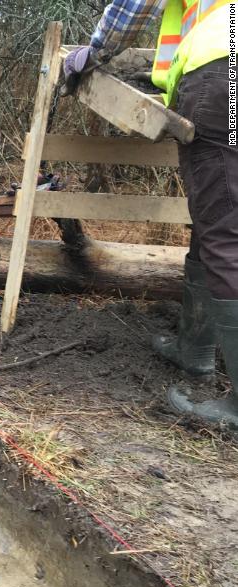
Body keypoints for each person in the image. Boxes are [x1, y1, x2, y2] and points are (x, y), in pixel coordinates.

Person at [63, 0, 236, 425]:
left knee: (224, 232)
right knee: (216, 215)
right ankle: (194, 350)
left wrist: (93, 53)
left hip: (223, 72)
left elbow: (136, 5)